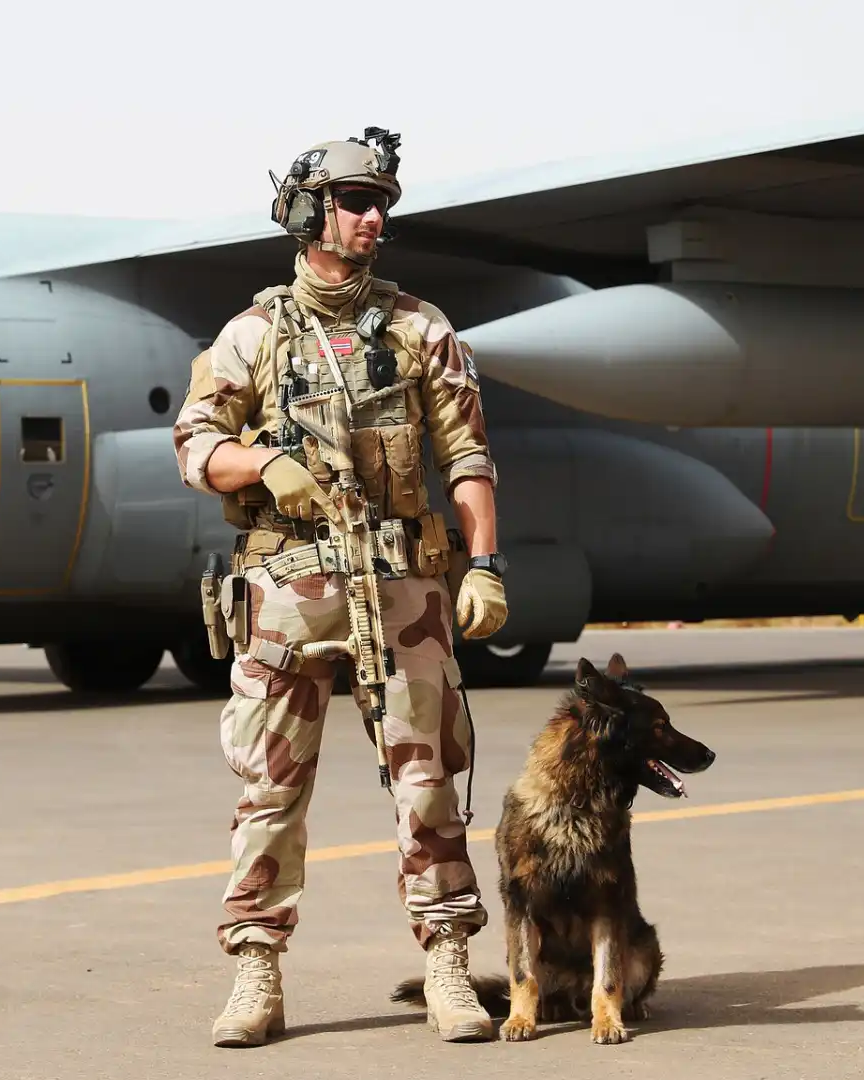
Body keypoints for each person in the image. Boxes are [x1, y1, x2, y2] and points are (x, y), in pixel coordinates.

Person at [171, 128, 509, 1048]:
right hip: (286, 588)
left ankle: (447, 958)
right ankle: (256, 971)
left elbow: (467, 455)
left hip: (402, 585)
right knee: (269, 795)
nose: (373, 221)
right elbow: (194, 445)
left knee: (430, 782)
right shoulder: (253, 335)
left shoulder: (419, 328)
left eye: (382, 206)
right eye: (356, 203)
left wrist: (482, 564)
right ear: (306, 212)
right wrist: (260, 462)